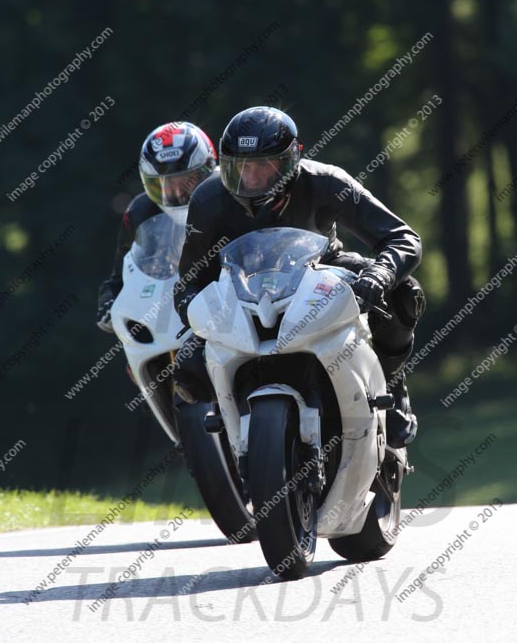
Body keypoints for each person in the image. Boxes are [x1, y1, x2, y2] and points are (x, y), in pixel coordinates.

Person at [172, 106, 426, 449]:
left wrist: (380, 273)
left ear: (291, 160)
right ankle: (230, 419)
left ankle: (392, 386)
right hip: (241, 289)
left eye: (263, 166)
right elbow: (190, 279)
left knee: (403, 293)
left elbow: (403, 237)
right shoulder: (208, 197)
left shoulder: (327, 181)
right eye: (240, 166)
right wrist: (195, 315)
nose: (251, 177)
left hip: (322, 271)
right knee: (187, 368)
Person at [96, 121, 217, 332]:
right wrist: (108, 301)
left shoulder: (227, 197)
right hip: (163, 321)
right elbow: (117, 279)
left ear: (207, 170)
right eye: (166, 184)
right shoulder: (140, 211)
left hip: (222, 313)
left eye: (187, 181)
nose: (178, 192)